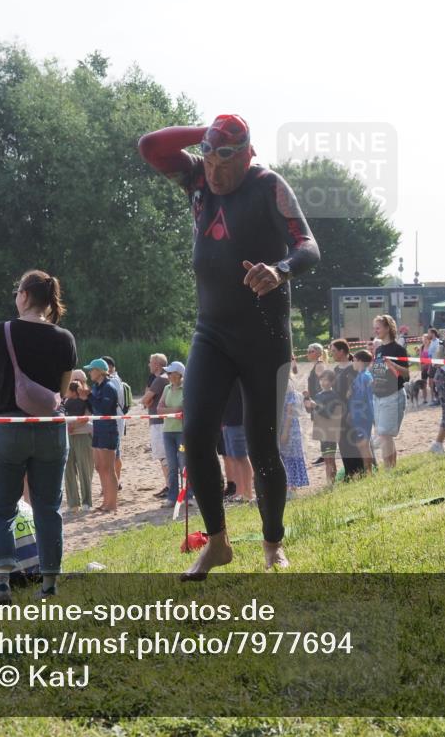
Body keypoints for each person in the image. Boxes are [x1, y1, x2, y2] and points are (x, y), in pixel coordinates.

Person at [139, 113, 320, 578]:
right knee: (197, 435)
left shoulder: (267, 185)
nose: (214, 172)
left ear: (247, 155)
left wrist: (279, 269)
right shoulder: (197, 180)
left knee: (262, 448)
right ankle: (217, 542)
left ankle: (272, 544)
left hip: (266, 335)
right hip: (212, 332)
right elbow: (151, 144)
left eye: (224, 161)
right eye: (208, 160)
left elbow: (309, 246)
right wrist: (205, 137)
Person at [0, 269, 76, 607]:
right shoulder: (65, 338)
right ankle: (49, 585)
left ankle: (3, 583)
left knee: (1, 509)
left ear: (23, 296)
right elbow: (62, 391)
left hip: (8, 429)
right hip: (51, 430)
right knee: (48, 508)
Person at [80, 358, 122, 513]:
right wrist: (87, 398)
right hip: (98, 429)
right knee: (99, 466)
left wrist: (89, 397)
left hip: (108, 430)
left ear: (99, 371)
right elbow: (93, 408)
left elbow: (104, 408)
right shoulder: (96, 387)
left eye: (91, 369)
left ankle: (112, 504)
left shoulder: (109, 387)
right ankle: (106, 502)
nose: (89, 372)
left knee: (108, 468)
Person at [370, 315, 409, 468]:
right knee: (384, 435)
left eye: (378, 327)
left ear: (387, 328)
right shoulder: (379, 349)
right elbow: (378, 371)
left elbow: (405, 374)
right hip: (378, 396)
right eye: (375, 328)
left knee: (385, 434)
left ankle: (389, 470)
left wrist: (392, 364)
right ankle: (391, 469)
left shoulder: (398, 349)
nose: (375, 330)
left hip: (393, 395)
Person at [330, 339, 365, 479]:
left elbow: (359, 390)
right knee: (343, 442)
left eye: (333, 351)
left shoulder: (354, 368)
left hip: (354, 410)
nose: (331, 353)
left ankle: (362, 471)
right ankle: (350, 473)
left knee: (356, 442)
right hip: (340, 412)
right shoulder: (336, 369)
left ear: (342, 351)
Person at [157, 361, 187, 507]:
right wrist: (174, 411)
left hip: (182, 432)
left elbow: (184, 409)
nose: (168, 375)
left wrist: (169, 411)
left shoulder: (186, 388)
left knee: (184, 464)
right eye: (167, 373)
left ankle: (188, 496)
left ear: (178, 374)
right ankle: (172, 496)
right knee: (172, 466)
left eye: (170, 373)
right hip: (168, 431)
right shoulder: (167, 388)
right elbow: (159, 409)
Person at [63, 374, 94, 513]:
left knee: (84, 469)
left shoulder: (87, 399)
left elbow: (86, 417)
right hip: (68, 437)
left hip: (82, 435)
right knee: (68, 469)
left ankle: (87, 501)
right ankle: (73, 503)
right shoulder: (65, 401)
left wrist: (72, 424)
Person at [142, 354, 171, 496]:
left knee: (163, 455)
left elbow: (145, 399)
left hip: (159, 422)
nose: (148, 365)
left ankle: (170, 485)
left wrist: (147, 399)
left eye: (150, 362)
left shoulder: (160, 380)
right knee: (165, 455)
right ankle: (170, 485)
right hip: (160, 421)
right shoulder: (161, 379)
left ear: (157, 365)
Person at [308, 369, 343, 485]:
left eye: (326, 380)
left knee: (330, 459)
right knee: (326, 459)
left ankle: (331, 484)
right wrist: (307, 402)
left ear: (332, 382)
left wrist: (315, 406)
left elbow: (329, 414)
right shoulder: (318, 395)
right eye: (321, 379)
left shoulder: (334, 395)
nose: (323, 382)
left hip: (330, 431)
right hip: (321, 430)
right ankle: (329, 483)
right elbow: (313, 412)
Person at [221, 383, 254, 502]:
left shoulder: (237, 378)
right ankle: (239, 492)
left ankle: (248, 494)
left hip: (238, 421)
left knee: (241, 457)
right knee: (233, 458)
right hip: (227, 422)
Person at [101, 356, 129, 486]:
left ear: (110, 367)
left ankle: (115, 482)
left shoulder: (113, 380)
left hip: (114, 418)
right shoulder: (113, 380)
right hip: (113, 418)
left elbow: (112, 401)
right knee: (114, 451)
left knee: (115, 452)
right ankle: (115, 482)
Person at [349, 349, 376, 474]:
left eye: (354, 360)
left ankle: (369, 472)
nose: (352, 363)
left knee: (363, 445)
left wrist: (373, 417)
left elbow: (370, 398)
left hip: (363, 416)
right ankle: (368, 472)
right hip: (357, 415)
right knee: (362, 445)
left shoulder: (365, 376)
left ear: (359, 361)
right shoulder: (360, 376)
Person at [279, 381, 309, 489]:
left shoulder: (286, 384)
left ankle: (291, 487)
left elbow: (289, 410)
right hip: (282, 425)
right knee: (284, 457)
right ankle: (288, 486)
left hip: (289, 426)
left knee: (289, 456)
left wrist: (285, 431)